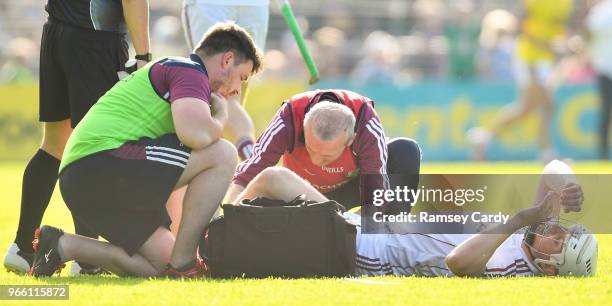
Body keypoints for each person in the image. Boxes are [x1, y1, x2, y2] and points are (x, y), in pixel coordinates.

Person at [29, 22, 263, 278]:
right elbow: (195, 135)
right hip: (103, 165)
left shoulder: (179, 72)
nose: (238, 90)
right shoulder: (190, 70)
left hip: (88, 178)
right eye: (242, 77)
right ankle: (185, 264)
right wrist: (221, 116)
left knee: (160, 266)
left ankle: (63, 245)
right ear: (227, 59)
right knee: (223, 154)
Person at [4, 0, 151, 275]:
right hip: (95, 40)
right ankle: (88, 260)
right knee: (94, 149)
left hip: (56, 34)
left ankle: (23, 248)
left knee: (54, 145)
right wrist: (144, 55)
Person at [353, 160, 596, 277]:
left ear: (550, 269)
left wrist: (520, 218)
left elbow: (457, 261)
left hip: (370, 250)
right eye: (563, 231)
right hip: (377, 225)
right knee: (404, 151)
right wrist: (569, 185)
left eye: (558, 242)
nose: (553, 230)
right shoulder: (536, 237)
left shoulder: (511, 267)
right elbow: (553, 167)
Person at [228, 89, 421, 213]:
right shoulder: (288, 118)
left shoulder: (366, 122)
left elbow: (375, 188)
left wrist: (366, 234)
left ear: (351, 139)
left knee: (406, 150)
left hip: (349, 189)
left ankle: (390, 237)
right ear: (303, 128)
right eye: (311, 149)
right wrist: (225, 219)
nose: (317, 160)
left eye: (327, 155)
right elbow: (249, 172)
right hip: (300, 195)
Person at [468, 0, 573, 162]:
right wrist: (547, 46)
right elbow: (521, 26)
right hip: (529, 57)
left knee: (527, 108)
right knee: (548, 104)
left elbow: (560, 28)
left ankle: (483, 137)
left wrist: (566, 43)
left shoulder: (565, 3)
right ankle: (547, 154)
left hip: (546, 59)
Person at [182, 0, 269, 159]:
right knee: (226, 98)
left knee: (224, 97)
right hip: (252, 6)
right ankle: (246, 162)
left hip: (213, 5)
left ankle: (242, 163)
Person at [586, 0, 612, 159]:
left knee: (605, 112)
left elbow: (588, 35)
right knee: (605, 113)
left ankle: (601, 155)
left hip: (603, 68)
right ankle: (601, 154)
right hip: (605, 68)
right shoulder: (601, 11)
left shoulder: (600, 11)